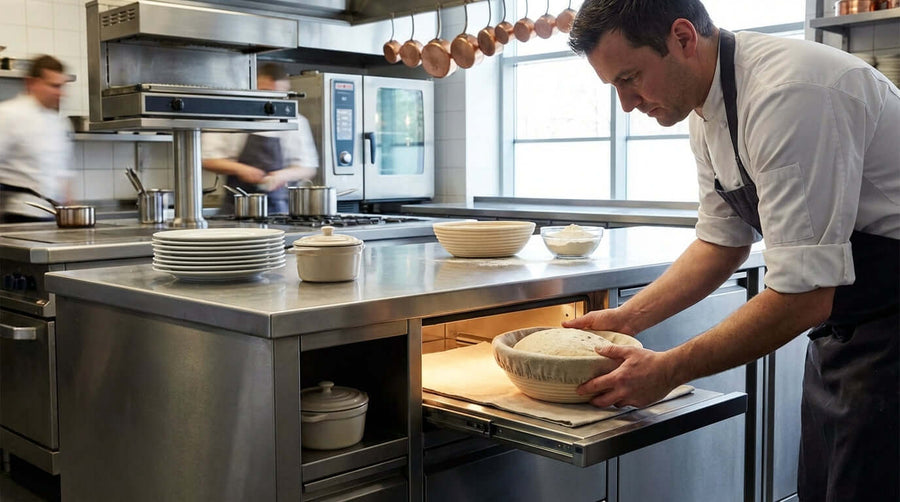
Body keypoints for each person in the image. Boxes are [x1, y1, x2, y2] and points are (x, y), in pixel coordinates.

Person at [561, 1, 899, 500]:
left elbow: (804, 297)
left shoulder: (787, 95)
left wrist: (668, 369)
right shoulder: (706, 109)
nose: (626, 104)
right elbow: (720, 242)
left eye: (630, 78)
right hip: (848, 328)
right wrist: (624, 320)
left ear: (682, 38)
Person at [202, 63, 318, 215]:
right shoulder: (230, 116)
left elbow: (307, 167)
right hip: (236, 209)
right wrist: (241, 169)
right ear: (252, 88)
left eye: (280, 94)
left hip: (278, 211)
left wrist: (281, 176)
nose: (273, 99)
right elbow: (207, 159)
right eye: (267, 91)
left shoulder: (296, 121)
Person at [0, 55, 74, 223]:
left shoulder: (60, 122)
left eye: (62, 86)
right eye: (54, 86)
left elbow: (63, 173)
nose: (60, 93)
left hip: (53, 215)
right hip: (19, 214)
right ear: (31, 83)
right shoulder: (8, 114)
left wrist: (71, 208)